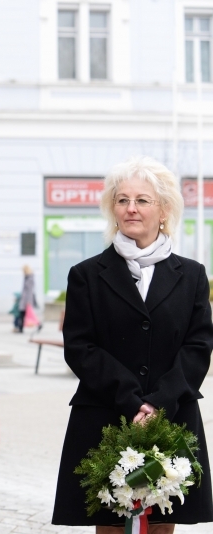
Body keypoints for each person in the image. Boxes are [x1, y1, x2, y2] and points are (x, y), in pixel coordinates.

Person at [52, 156, 213, 533]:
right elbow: (80, 346)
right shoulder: (87, 275)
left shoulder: (191, 275)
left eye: (142, 200)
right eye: (122, 200)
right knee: (111, 519)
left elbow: (199, 345)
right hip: (106, 415)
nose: (131, 208)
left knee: (159, 519)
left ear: (164, 210)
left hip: (169, 417)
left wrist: (159, 402)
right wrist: (132, 400)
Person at [13, 264, 38, 333]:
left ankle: (38, 324)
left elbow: (30, 291)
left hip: (26, 301)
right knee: (23, 315)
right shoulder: (27, 277)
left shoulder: (30, 278)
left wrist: (28, 301)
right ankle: (20, 328)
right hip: (24, 300)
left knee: (26, 315)